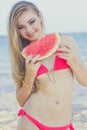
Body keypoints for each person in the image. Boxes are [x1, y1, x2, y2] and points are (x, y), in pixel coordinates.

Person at [8, 1, 87, 130]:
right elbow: (21, 101)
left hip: (64, 124)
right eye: (21, 27)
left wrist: (73, 62)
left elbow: (85, 81)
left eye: (31, 21)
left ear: (39, 17)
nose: (28, 30)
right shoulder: (23, 56)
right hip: (32, 123)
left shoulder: (66, 42)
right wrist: (29, 76)